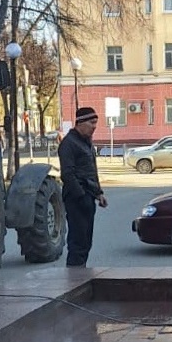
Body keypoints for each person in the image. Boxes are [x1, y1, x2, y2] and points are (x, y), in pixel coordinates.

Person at [59, 107, 108, 267]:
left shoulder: (86, 143)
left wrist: (99, 193)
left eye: (96, 123)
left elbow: (92, 170)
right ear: (80, 123)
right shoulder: (69, 143)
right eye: (91, 123)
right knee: (78, 241)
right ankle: (74, 275)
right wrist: (81, 196)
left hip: (88, 196)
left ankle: (81, 272)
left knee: (86, 240)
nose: (94, 127)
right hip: (76, 198)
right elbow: (67, 174)